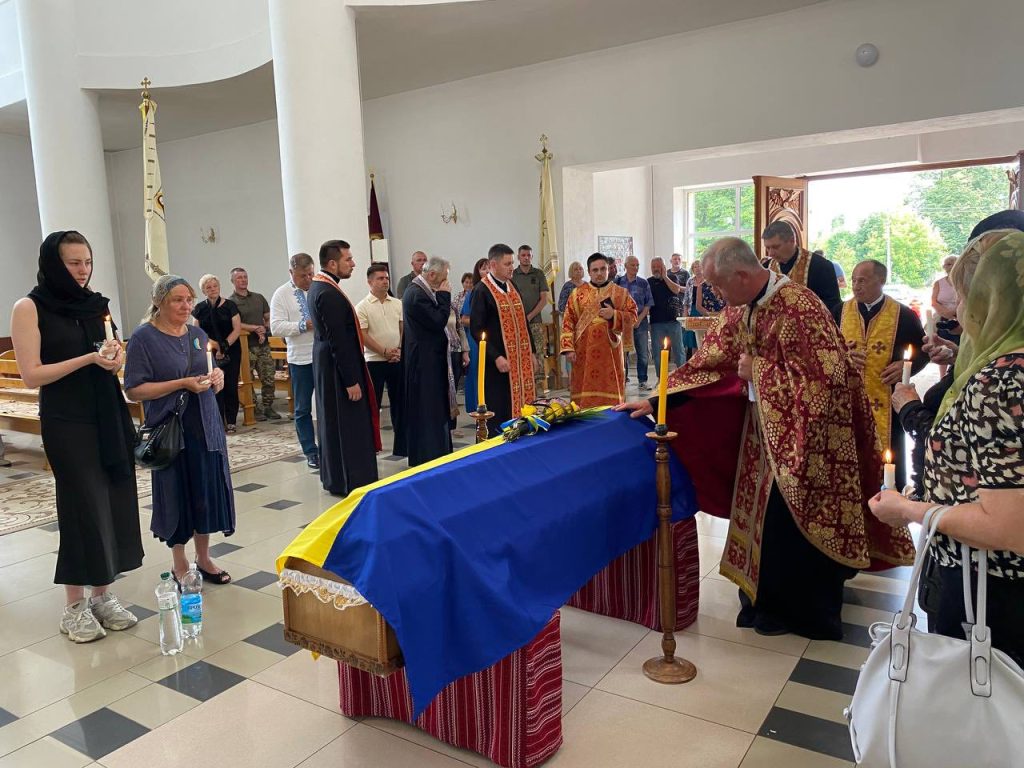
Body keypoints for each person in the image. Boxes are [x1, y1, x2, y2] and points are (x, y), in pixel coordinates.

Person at [617, 238, 914, 640]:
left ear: (742, 275)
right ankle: (763, 604)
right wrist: (657, 400)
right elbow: (709, 362)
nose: (716, 295)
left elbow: (827, 381)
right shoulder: (740, 307)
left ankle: (799, 613)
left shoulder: (800, 306)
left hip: (810, 443)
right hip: (762, 437)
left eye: (719, 286)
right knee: (763, 523)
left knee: (787, 527)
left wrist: (759, 370)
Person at [869, 229, 1024, 666]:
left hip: (989, 584)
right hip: (993, 581)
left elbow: (1007, 526)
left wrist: (908, 509)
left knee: (979, 696)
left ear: (988, 301)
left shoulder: (1001, 381)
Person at [11, 230, 142, 643]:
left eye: (87, 262)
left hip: (106, 413)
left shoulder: (96, 305)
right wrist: (88, 358)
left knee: (112, 499)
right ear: (54, 263)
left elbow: (112, 355)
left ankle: (102, 596)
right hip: (67, 420)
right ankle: (74, 607)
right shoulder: (30, 308)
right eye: (73, 263)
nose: (83, 270)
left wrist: (115, 358)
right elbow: (32, 375)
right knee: (82, 504)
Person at [125, 275, 233, 585]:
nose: (186, 306)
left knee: (204, 493)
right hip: (171, 428)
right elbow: (134, 390)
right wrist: (181, 384)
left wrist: (217, 379)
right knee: (177, 494)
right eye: (177, 300)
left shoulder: (197, 334)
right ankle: (179, 562)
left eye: (189, 299)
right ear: (158, 302)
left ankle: (204, 557)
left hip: (204, 425)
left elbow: (209, 372)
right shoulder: (144, 337)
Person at [833, 259, 926, 492]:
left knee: (889, 462)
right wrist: (843, 357)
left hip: (887, 404)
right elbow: (824, 351)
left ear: (881, 280)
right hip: (847, 403)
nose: (856, 286)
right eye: (854, 280)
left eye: (862, 281)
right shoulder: (839, 312)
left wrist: (907, 365)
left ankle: (890, 504)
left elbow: (922, 350)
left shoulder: (903, 315)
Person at [308, 240, 381, 495]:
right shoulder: (327, 293)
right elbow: (338, 340)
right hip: (338, 370)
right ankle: (352, 478)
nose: (353, 264)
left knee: (334, 422)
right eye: (347, 260)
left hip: (329, 365)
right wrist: (350, 380)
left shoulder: (320, 286)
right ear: (332, 264)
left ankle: (337, 477)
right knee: (346, 425)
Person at [469, 244, 536, 436]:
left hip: (520, 362)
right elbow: (476, 329)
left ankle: (523, 437)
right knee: (500, 407)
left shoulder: (512, 286)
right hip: (497, 363)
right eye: (507, 264)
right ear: (493, 265)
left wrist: (532, 352)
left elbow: (523, 321)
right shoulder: (482, 290)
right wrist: (496, 356)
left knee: (522, 405)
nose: (512, 268)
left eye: (512, 263)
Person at [560, 253, 637, 406]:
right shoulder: (577, 294)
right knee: (583, 395)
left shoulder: (620, 293)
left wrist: (614, 314)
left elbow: (633, 316)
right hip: (583, 353)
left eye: (603, 269)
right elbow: (568, 321)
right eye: (595, 270)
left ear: (608, 270)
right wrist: (568, 348)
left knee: (611, 393)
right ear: (589, 272)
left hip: (611, 352)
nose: (599, 273)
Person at [403, 256, 455, 465]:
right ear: (432, 274)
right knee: (428, 409)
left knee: (434, 408)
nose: (446, 283)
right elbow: (437, 321)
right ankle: (430, 454)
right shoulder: (416, 294)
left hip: (429, 360)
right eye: (444, 278)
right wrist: (444, 295)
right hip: (424, 363)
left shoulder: (421, 290)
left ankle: (438, 451)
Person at [270, 253, 319, 469]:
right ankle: (310, 451)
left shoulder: (319, 288)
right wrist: (302, 325)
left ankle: (330, 447)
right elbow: (276, 327)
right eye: (302, 276)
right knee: (302, 408)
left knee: (328, 405)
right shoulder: (281, 294)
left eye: (310, 274)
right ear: (291, 273)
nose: (308, 279)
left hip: (323, 356)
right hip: (300, 359)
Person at [355, 263, 407, 458]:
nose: (385, 281)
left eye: (386, 278)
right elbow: (363, 335)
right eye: (380, 278)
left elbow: (402, 328)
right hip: (374, 361)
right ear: (370, 282)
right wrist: (384, 351)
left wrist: (399, 350)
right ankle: (373, 445)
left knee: (400, 403)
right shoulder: (362, 306)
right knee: (373, 404)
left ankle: (402, 445)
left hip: (396, 359)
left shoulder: (397, 303)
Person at [192, 274, 242, 433]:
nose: (213, 289)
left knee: (230, 385)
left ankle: (231, 420)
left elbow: (237, 329)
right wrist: (215, 346)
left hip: (232, 349)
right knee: (215, 384)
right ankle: (219, 420)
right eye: (208, 287)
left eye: (215, 286)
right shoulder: (199, 308)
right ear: (203, 291)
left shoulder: (230, 305)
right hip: (209, 350)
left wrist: (224, 347)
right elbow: (197, 332)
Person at [229, 267, 279, 421]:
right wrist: (254, 328)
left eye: (245, 277)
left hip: (263, 345)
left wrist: (264, 328)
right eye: (239, 278)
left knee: (268, 376)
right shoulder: (231, 302)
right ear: (232, 281)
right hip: (246, 346)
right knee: (247, 379)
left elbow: (268, 317)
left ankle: (268, 406)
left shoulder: (258, 297)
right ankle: (254, 408)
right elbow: (235, 324)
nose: (243, 280)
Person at [761, 221, 841, 313]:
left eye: (776, 247)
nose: (771, 253)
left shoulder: (821, 266)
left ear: (792, 240)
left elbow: (833, 307)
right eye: (768, 248)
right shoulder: (766, 268)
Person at [511, 244, 550, 383]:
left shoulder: (539, 274)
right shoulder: (513, 275)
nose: (526, 258)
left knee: (537, 353)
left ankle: (537, 385)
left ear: (532, 256)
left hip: (535, 322)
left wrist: (529, 317)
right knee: (518, 353)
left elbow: (544, 299)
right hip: (516, 323)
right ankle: (521, 383)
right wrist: (520, 318)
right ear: (518, 257)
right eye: (523, 255)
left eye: (528, 255)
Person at [615, 256, 654, 391]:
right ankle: (622, 379)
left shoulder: (643, 283)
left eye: (637, 265)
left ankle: (642, 380)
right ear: (626, 266)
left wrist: (639, 319)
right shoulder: (618, 282)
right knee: (622, 353)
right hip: (623, 323)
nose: (636, 268)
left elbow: (648, 303)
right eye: (633, 265)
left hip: (640, 322)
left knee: (642, 352)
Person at [461, 258, 489, 414]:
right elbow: (464, 319)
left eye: (489, 268)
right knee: (477, 373)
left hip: (493, 339)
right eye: (483, 268)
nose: (487, 271)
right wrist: (481, 321)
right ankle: (478, 408)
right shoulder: (473, 292)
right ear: (478, 272)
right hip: (476, 338)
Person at [648, 257, 685, 376]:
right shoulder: (649, 282)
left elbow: (676, 290)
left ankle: (682, 377)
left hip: (673, 321)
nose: (655, 269)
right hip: (656, 322)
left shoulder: (672, 277)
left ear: (663, 267)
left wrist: (665, 276)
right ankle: (661, 378)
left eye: (658, 266)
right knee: (658, 352)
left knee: (679, 351)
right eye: (653, 267)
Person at [931, 254, 961, 375]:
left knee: (958, 346)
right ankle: (942, 376)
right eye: (946, 264)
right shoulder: (939, 283)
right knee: (943, 347)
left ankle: (957, 372)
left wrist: (955, 313)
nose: (948, 267)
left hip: (960, 319)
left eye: (951, 264)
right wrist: (946, 313)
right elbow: (934, 301)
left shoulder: (962, 281)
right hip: (942, 318)